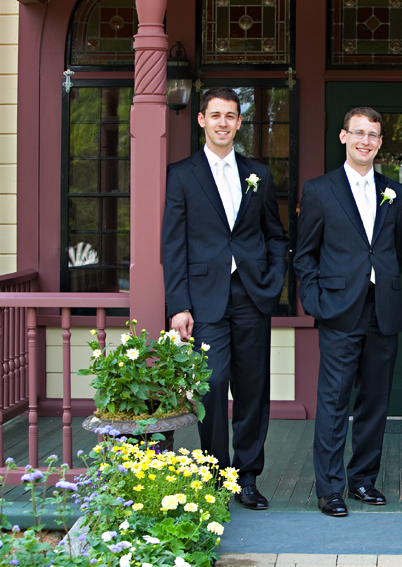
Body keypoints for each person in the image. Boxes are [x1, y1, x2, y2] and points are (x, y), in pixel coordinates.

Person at [162, 87, 289, 511]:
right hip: (204, 299)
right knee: (213, 384)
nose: (223, 122)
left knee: (253, 388)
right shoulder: (181, 174)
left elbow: (275, 235)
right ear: (202, 120)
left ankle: (246, 477)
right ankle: (216, 474)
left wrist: (273, 279)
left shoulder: (258, 174)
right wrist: (178, 305)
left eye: (230, 115)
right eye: (215, 115)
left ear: (238, 122)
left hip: (252, 294)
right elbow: (173, 245)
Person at [294, 107, 402, 517]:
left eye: (373, 135)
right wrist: (316, 301)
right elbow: (304, 256)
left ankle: (363, 479)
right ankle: (330, 488)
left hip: (383, 310)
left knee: (375, 402)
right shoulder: (319, 190)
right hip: (339, 311)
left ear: (380, 143)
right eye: (358, 133)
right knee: (334, 401)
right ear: (343, 137)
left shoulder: (396, 192)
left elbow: (392, 251)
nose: (365, 141)